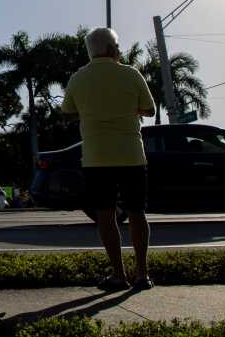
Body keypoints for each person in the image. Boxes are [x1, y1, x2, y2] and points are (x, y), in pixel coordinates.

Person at [62, 27, 156, 291]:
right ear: (113, 49)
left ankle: (118, 275)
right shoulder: (131, 74)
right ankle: (142, 274)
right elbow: (149, 109)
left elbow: (67, 113)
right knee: (137, 213)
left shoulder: (78, 78)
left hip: (96, 157)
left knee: (106, 216)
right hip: (131, 155)